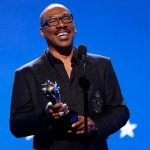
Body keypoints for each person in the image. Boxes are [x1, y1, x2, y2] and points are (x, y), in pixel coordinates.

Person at [10, 3, 129, 150]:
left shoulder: (101, 65)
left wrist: (96, 125)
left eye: (66, 18)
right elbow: (16, 125)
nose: (61, 25)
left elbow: (120, 111)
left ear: (74, 25)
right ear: (42, 32)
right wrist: (46, 115)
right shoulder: (26, 73)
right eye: (53, 21)